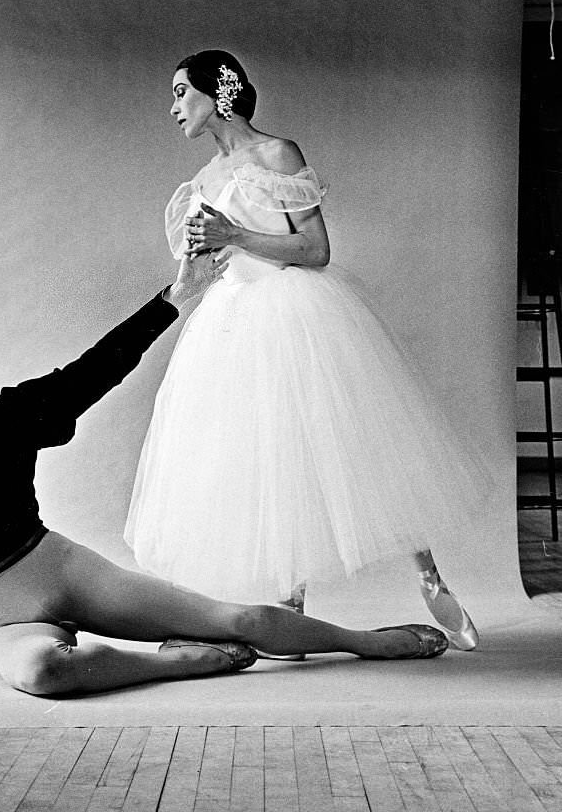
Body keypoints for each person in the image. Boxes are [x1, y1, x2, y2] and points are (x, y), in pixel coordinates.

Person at [0, 252, 449, 693]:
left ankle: (367, 643)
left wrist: (172, 300)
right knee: (40, 673)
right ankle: (184, 662)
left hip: (72, 573)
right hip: (7, 615)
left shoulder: (10, 419)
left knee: (241, 617)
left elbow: (92, 372)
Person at [125, 48, 491, 655]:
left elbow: (316, 249)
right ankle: (291, 607)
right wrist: (192, 266)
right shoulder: (202, 183)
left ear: (218, 94)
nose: (172, 108)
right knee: (266, 454)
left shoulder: (276, 154)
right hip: (232, 323)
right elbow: (205, 271)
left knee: (361, 437)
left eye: (180, 93)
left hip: (296, 314)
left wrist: (233, 233)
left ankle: (430, 576)